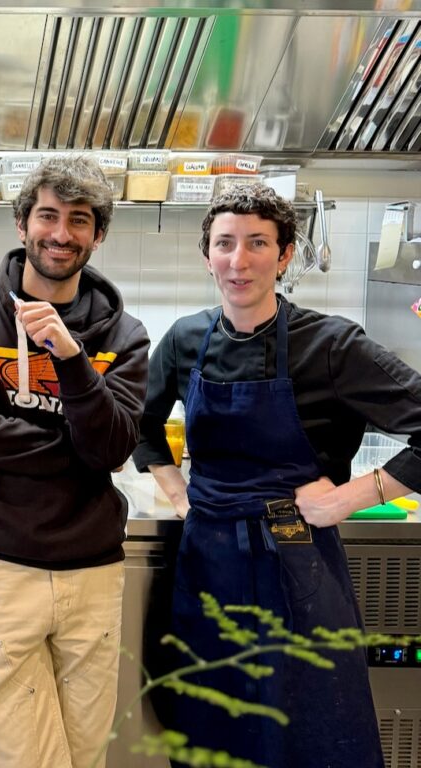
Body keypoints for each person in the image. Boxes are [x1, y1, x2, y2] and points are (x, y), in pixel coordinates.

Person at [132, 183, 421, 767]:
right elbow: (140, 425)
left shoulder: (331, 344)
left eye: (257, 243)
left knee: (309, 738)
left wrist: (349, 499)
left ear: (285, 255)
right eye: (225, 244)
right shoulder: (187, 339)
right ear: (207, 255)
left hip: (298, 567)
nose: (238, 261)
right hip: (207, 565)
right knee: (211, 734)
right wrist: (180, 494)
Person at [0, 155, 150, 768]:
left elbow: (114, 448)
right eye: (48, 215)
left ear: (98, 235)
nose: (61, 233)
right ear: (22, 223)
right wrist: (79, 451)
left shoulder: (125, 336)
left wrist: (72, 358)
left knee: (86, 759)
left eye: (79, 220)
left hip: (94, 575)